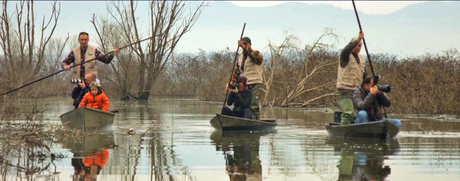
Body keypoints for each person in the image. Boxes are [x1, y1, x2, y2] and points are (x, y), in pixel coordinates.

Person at [336, 31, 368, 125]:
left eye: (359, 45)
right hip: (345, 89)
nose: (358, 47)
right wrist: (358, 39)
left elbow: (365, 76)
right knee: (348, 113)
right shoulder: (345, 56)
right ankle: (343, 132)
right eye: (356, 45)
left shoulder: (362, 58)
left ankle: (355, 128)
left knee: (356, 114)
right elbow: (346, 49)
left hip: (357, 90)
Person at [233, 36, 264, 120]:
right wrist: (232, 83)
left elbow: (258, 60)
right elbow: (237, 72)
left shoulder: (256, 53)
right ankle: (242, 119)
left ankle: (255, 120)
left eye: (245, 44)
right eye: (242, 44)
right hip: (245, 84)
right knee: (243, 104)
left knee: (254, 104)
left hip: (256, 83)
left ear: (250, 44)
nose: (243, 46)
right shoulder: (240, 57)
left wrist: (246, 47)